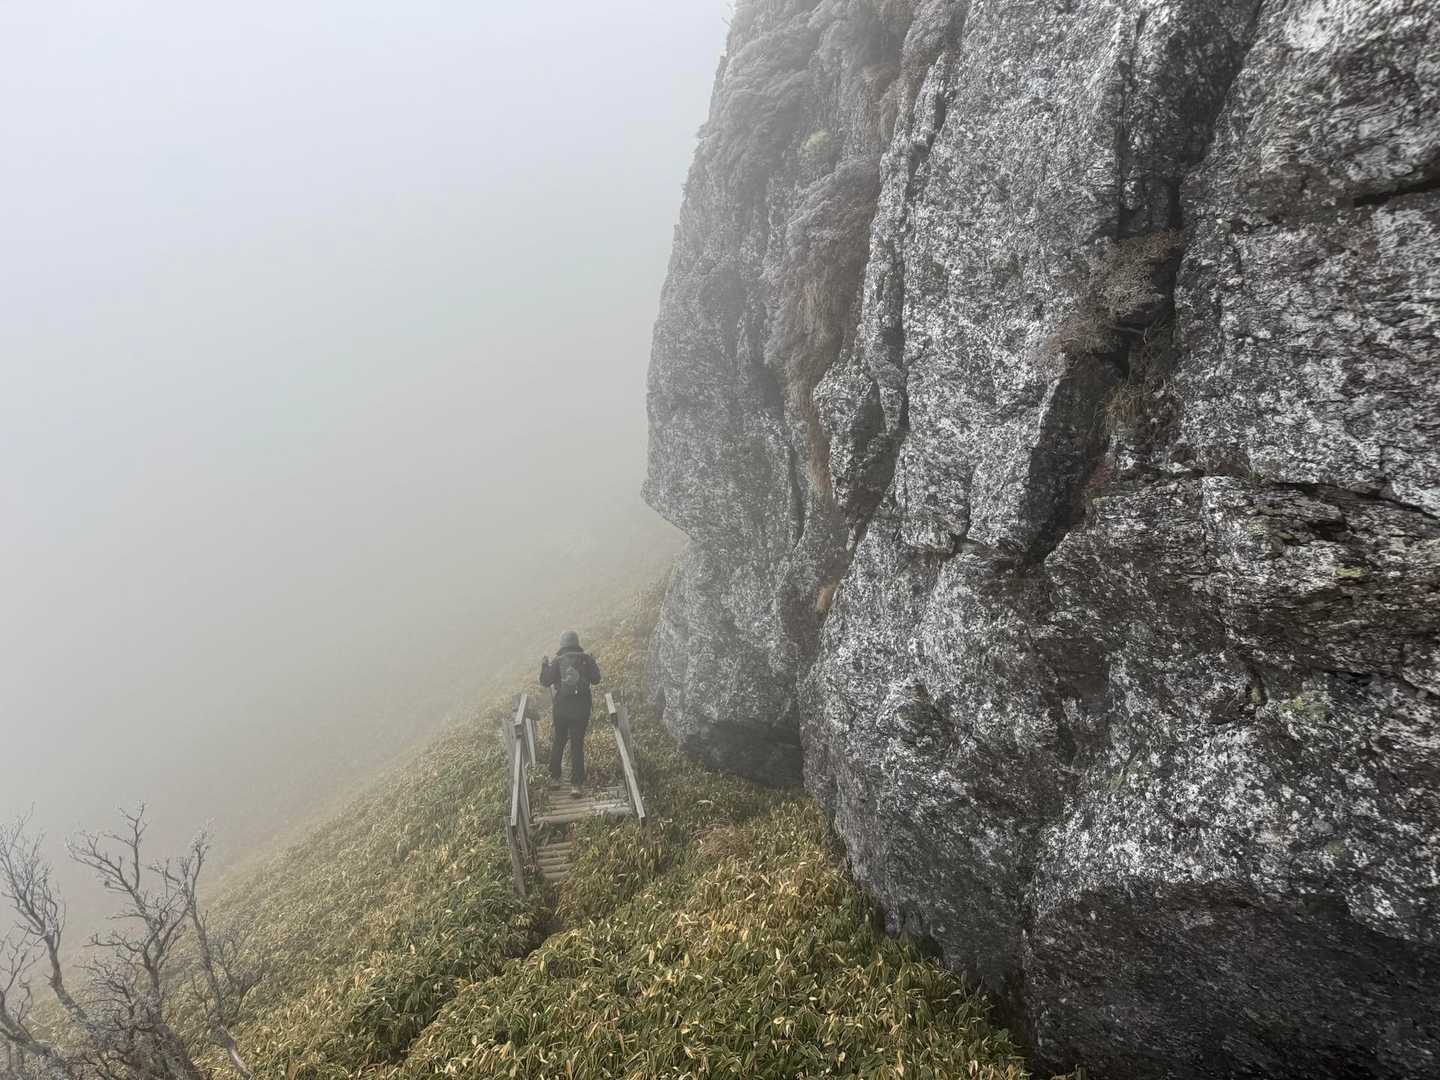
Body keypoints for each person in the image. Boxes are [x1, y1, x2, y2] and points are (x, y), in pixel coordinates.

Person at [539, 630, 601, 795]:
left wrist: (544, 665)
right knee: (577, 745)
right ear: (576, 643)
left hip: (561, 709)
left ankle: (554, 778)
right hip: (581, 709)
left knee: (559, 741)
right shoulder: (586, 659)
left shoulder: (558, 660)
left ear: (563, 644)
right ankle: (576, 785)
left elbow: (545, 681)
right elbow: (596, 679)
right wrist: (593, 662)